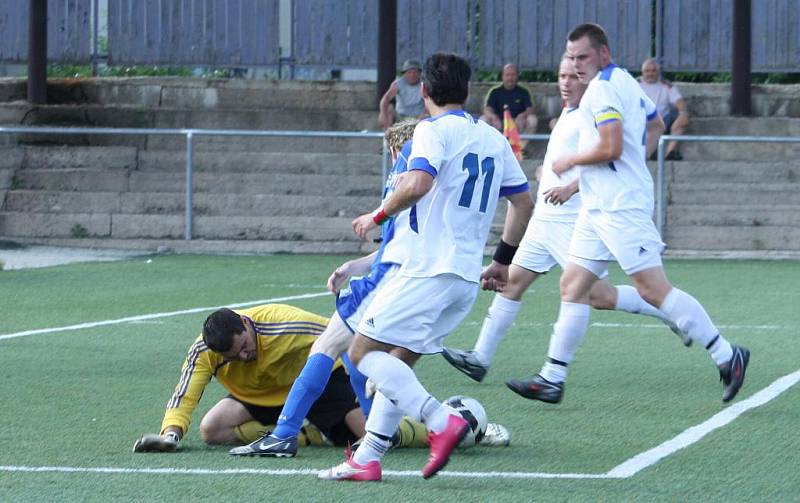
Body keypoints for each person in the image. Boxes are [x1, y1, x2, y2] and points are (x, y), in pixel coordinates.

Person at [227, 120, 510, 458]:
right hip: (433, 279)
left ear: (396, 149)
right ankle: (378, 440)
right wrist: (354, 266)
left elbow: (399, 241)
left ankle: (286, 433)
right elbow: (403, 240)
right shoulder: (443, 177)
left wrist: (374, 220)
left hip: (398, 278)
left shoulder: (408, 167)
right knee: (370, 358)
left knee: (332, 346)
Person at [504, 23, 749, 406]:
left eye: (583, 57)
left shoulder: (601, 89)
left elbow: (612, 147)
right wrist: (635, 165)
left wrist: (572, 160)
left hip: (619, 207)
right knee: (573, 286)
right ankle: (552, 377)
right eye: (571, 57)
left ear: (603, 53)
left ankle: (726, 355)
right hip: (599, 205)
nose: (576, 65)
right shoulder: (625, 81)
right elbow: (655, 124)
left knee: (653, 289)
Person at [319, 53, 533, 482]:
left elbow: (418, 183)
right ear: (468, 91)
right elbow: (523, 203)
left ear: (425, 92)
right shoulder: (492, 137)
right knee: (400, 361)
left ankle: (441, 421)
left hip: (426, 269)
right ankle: (368, 456)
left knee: (362, 353)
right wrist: (501, 262)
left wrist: (375, 217)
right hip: (463, 279)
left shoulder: (431, 130)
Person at [442, 55, 691, 388]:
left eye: (572, 76)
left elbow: (612, 152)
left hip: (570, 222)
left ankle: (667, 310)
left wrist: (572, 187)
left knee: (598, 296)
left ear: (585, 78)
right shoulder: (569, 113)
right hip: (543, 220)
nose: (565, 82)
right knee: (511, 282)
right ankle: (480, 358)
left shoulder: (595, 109)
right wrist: (547, 175)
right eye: (561, 76)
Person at [132, 304, 364, 453]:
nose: (244, 355)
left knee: (365, 432)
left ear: (245, 323)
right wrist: (171, 435)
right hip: (259, 394)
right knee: (212, 429)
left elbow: (343, 332)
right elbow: (184, 394)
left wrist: (370, 373)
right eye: (234, 356)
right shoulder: (203, 352)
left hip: (314, 386)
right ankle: (310, 436)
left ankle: (397, 424)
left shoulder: (284, 323)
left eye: (244, 345)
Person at [639, 58, 688, 160]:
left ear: (658, 72)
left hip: (661, 120)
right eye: (647, 71)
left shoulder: (666, 85)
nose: (650, 74)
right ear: (642, 72)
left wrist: (683, 113)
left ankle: (670, 153)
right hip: (638, 121)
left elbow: (680, 101)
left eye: (653, 71)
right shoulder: (634, 84)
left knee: (682, 116)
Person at [480, 63, 539, 135]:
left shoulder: (524, 91)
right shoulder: (494, 91)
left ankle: (522, 146)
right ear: (502, 76)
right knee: (483, 119)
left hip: (518, 123)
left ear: (517, 76)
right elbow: (487, 110)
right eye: (507, 75)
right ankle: (491, 145)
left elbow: (531, 110)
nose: (510, 78)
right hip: (499, 122)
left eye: (513, 75)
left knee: (532, 119)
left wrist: (522, 115)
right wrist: (493, 117)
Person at [378, 59, 426, 129]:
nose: (412, 75)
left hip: (419, 117)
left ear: (419, 73)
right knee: (389, 109)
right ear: (404, 73)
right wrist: (382, 113)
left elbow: (430, 102)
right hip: (400, 116)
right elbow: (386, 98)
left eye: (415, 72)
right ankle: (387, 135)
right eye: (409, 72)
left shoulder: (424, 84)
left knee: (428, 114)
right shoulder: (397, 84)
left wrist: (424, 114)